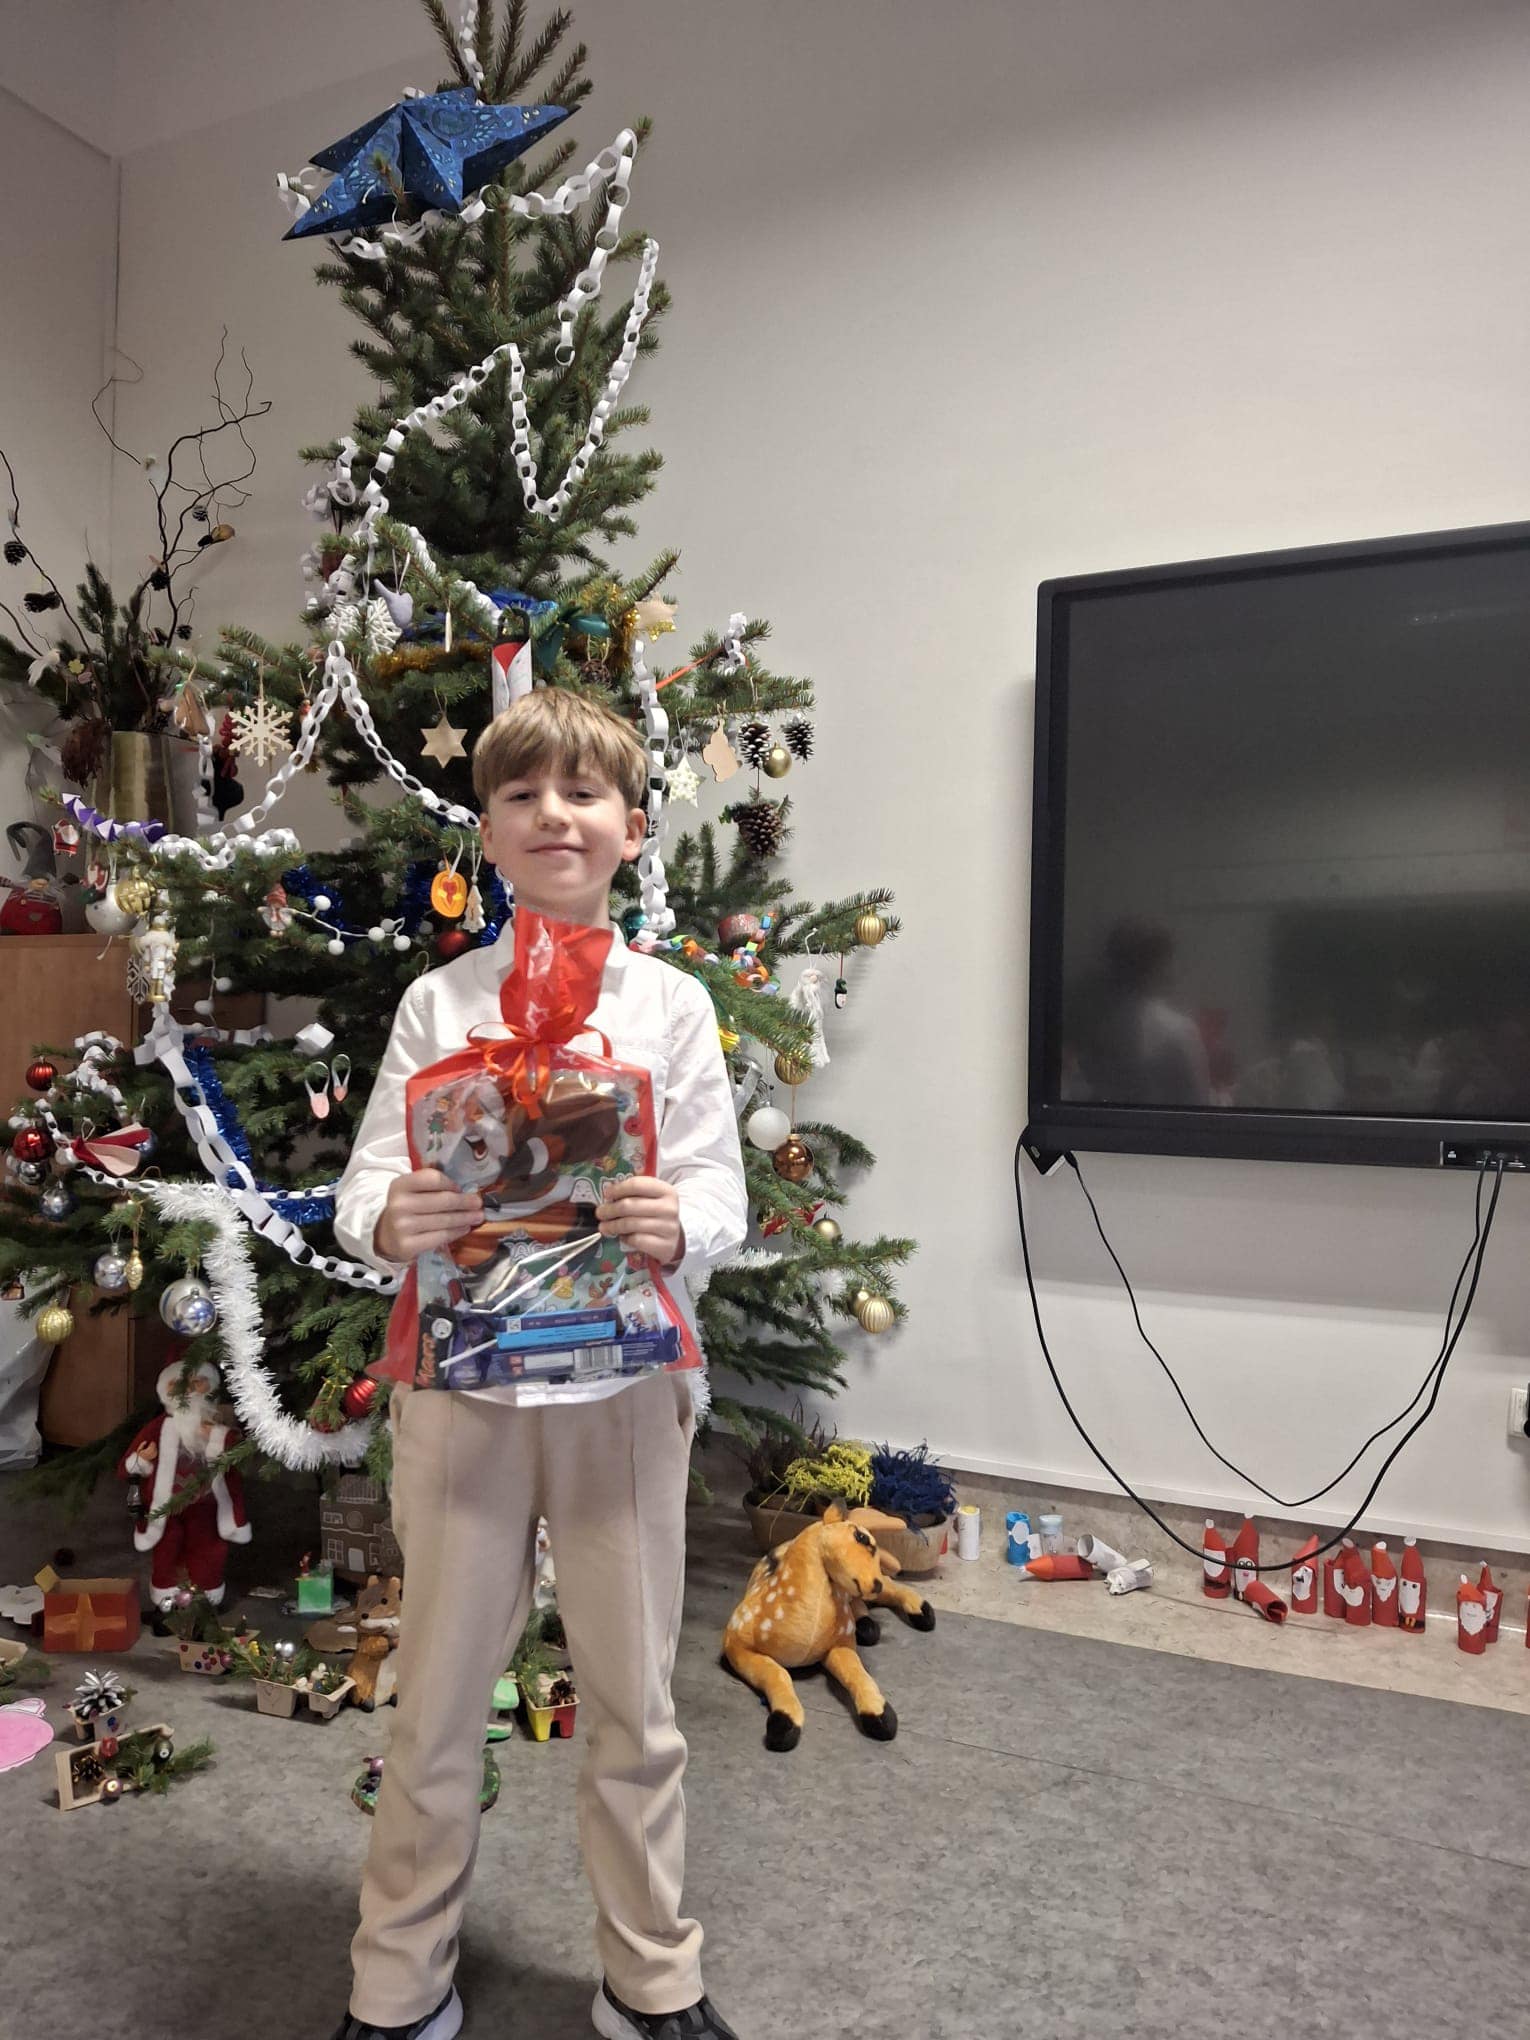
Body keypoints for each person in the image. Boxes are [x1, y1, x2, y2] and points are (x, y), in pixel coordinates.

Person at [327, 689, 749, 2040]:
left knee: (634, 1703)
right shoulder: (437, 1000)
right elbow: (364, 1186)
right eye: (521, 795)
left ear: (632, 828)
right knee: (438, 1702)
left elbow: (720, 1188)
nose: (552, 815)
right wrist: (389, 1216)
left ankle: (651, 1975)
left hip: (622, 1393)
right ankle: (398, 1981)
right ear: (489, 834)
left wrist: (680, 1219)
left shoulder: (671, 1005)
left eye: (582, 794)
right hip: (462, 1396)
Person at [116, 1358, 251, 1610]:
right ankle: (166, 1598)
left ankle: (205, 1598)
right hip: (166, 1508)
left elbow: (239, 1455)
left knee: (208, 1550)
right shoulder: (157, 1428)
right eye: (178, 1384)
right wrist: (141, 1459)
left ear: (210, 1386)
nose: (188, 1390)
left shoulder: (218, 1424)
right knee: (167, 1550)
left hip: (207, 1505)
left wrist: (218, 1437)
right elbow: (126, 1468)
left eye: (197, 1382)